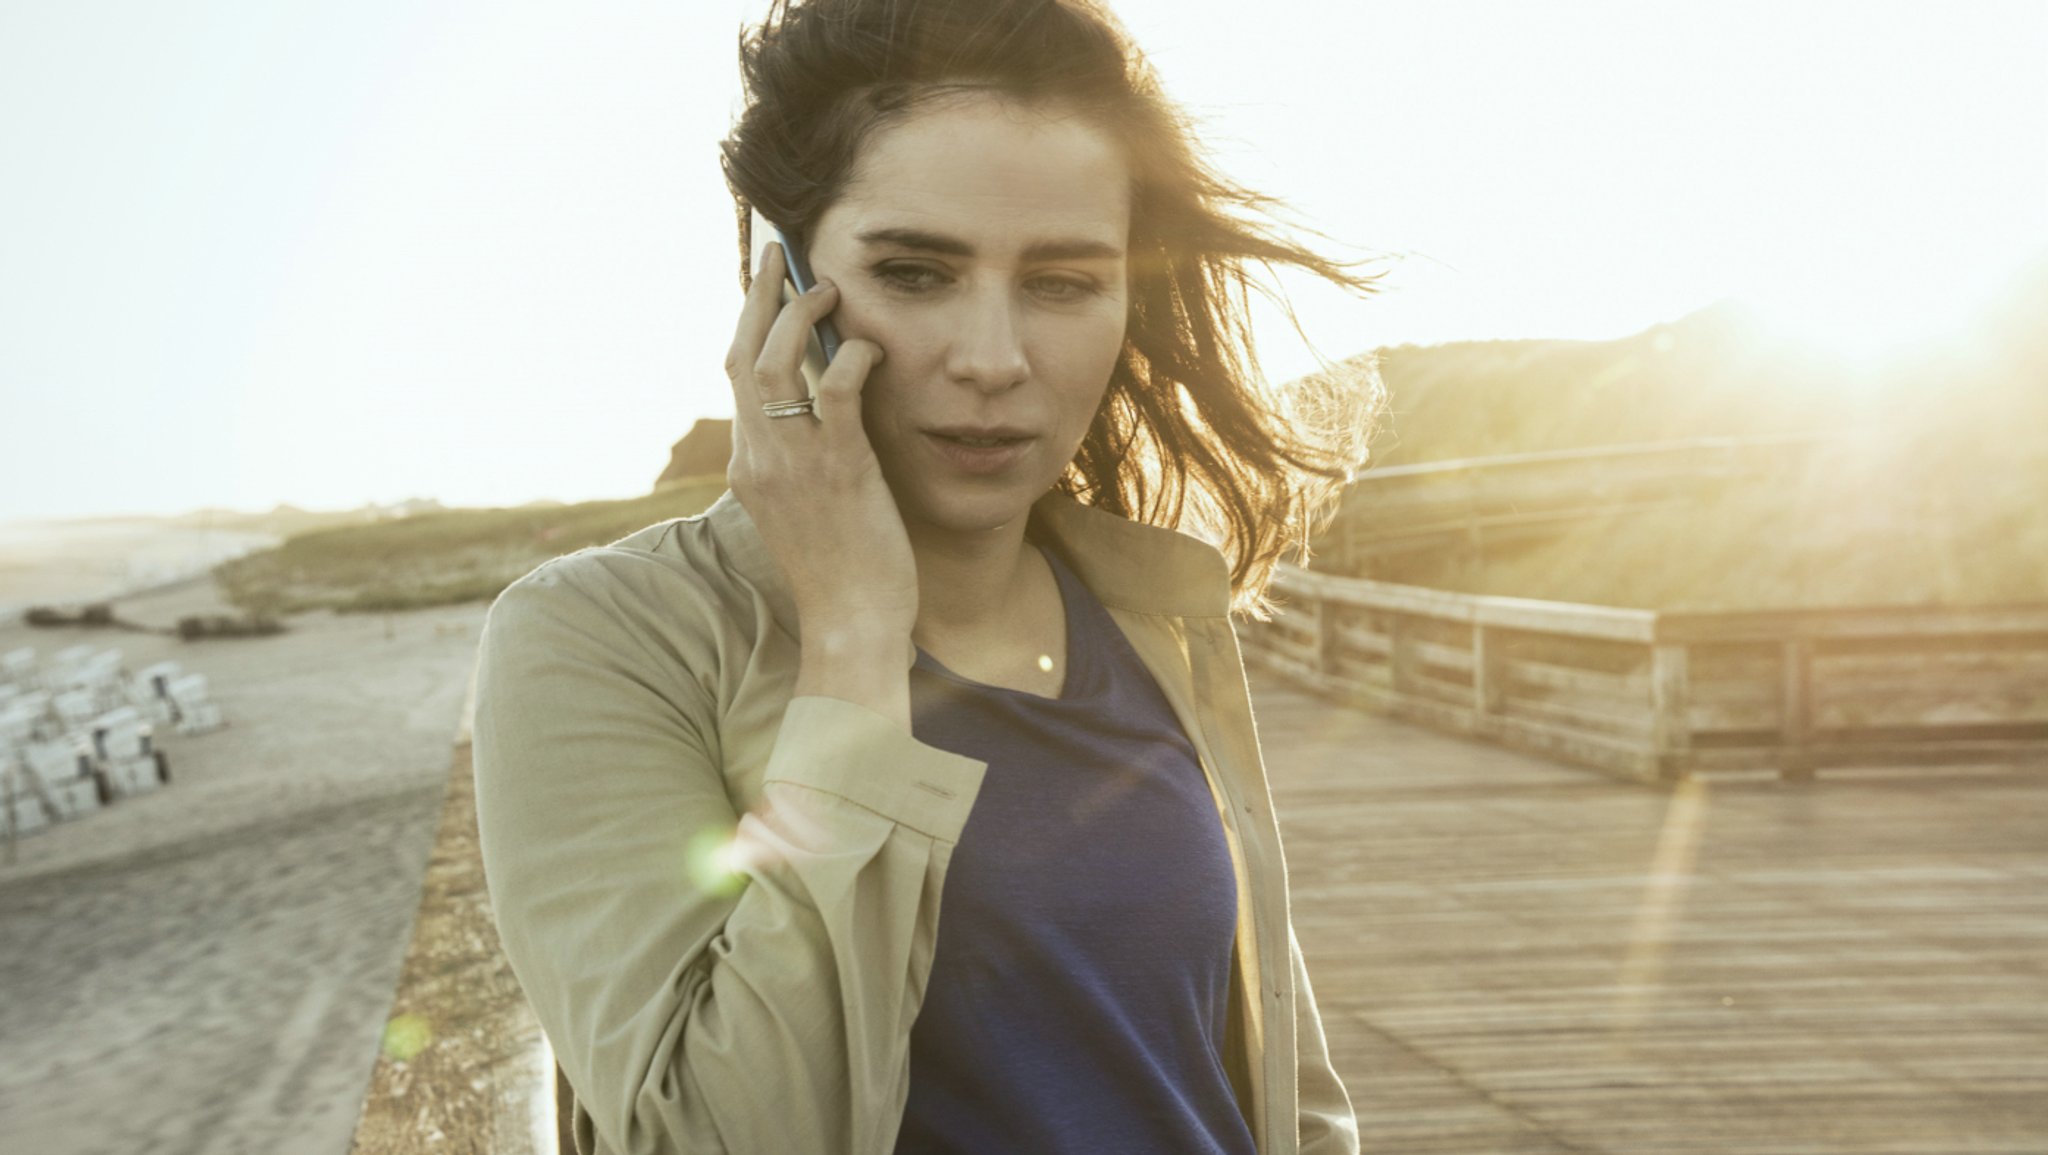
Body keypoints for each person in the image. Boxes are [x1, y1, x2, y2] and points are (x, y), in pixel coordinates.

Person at [471, 1, 1385, 1152]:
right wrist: (855, 637)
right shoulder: (602, 640)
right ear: (783, 280)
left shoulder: (1154, 613)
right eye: (913, 272)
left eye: (1061, 283)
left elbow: (1280, 1085)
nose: (994, 360)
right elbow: (711, 1132)